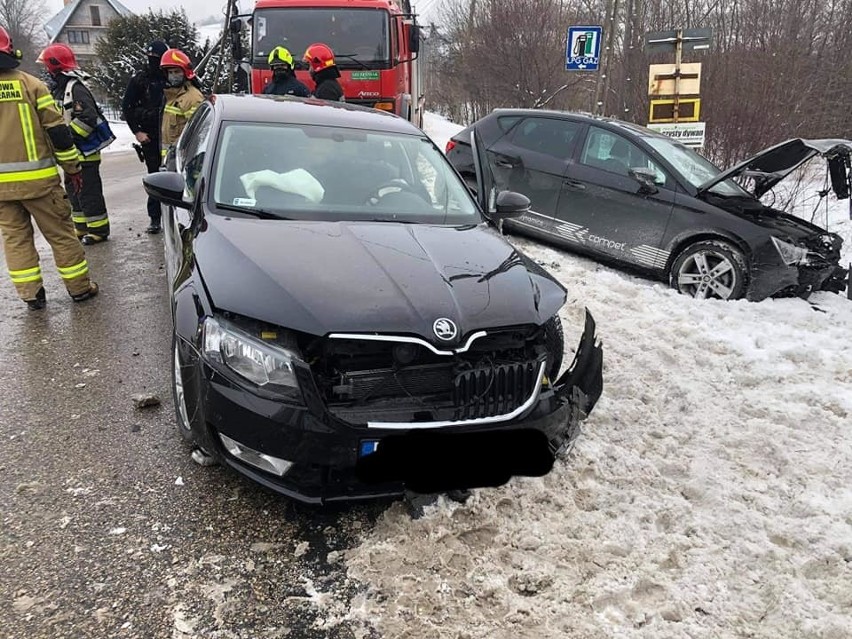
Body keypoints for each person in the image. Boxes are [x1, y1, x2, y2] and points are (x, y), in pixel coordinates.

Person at [0, 26, 98, 309]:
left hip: (2, 191)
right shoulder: (31, 86)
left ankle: (31, 296)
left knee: (15, 240)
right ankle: (79, 289)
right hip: (40, 184)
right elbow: (58, 132)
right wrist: (72, 167)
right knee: (61, 234)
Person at [39, 43, 113, 245]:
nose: (46, 72)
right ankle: (81, 227)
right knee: (74, 193)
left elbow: (88, 117)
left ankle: (99, 230)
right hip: (71, 154)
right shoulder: (60, 90)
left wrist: (68, 137)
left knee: (89, 192)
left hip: (85, 153)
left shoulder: (76, 88)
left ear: (54, 67)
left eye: (47, 67)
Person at [121, 40, 168, 234]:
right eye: (150, 58)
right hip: (150, 137)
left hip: (172, 136)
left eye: (156, 59)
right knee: (155, 177)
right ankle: (155, 218)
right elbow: (127, 107)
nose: (152, 62)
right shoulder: (140, 79)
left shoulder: (172, 77)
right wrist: (138, 133)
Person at [159, 48, 205, 165]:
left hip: (183, 161)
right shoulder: (172, 96)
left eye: (177, 72)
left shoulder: (192, 98)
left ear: (185, 73)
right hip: (170, 161)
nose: (173, 76)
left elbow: (197, 133)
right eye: (170, 72)